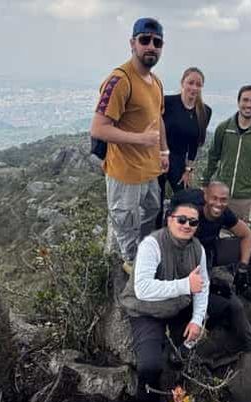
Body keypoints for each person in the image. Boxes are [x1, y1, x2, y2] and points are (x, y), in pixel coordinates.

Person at [122, 202, 251, 402]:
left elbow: (203, 288)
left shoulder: (196, 248)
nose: (187, 226)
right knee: (149, 368)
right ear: (169, 219)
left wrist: (197, 320)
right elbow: (143, 289)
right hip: (148, 312)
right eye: (181, 220)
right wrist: (185, 285)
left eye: (193, 222)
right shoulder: (152, 245)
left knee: (230, 307)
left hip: (180, 306)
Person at [90, 17, 169, 274]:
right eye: (144, 40)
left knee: (152, 210)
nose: (151, 46)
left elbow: (158, 119)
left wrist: (163, 151)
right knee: (125, 218)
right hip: (124, 171)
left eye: (156, 42)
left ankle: (144, 251)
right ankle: (131, 261)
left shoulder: (155, 82)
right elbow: (99, 128)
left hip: (149, 168)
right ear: (132, 43)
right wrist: (140, 139)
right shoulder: (120, 80)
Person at [170, 182, 251, 307]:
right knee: (199, 296)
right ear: (206, 198)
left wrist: (242, 268)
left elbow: (247, 235)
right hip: (188, 255)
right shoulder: (189, 214)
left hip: (211, 249)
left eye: (223, 200)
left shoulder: (224, 212)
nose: (218, 204)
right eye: (214, 199)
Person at [203, 85, 251, 222]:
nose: (249, 105)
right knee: (212, 232)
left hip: (246, 197)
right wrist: (205, 183)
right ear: (238, 102)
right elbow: (212, 158)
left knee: (241, 237)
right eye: (245, 100)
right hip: (220, 193)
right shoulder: (224, 128)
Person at [155, 67, 212, 228]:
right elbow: (155, 128)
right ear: (182, 83)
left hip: (179, 162)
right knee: (155, 203)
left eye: (198, 84)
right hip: (158, 157)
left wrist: (188, 170)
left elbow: (195, 143)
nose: (194, 87)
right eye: (190, 83)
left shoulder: (205, 111)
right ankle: (155, 238)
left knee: (186, 201)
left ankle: (178, 232)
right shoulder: (167, 102)